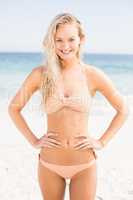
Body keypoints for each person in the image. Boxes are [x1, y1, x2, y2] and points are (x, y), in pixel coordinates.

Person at [8, 13, 128, 200]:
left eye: (71, 39)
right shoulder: (41, 74)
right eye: (59, 40)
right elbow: (14, 108)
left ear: (81, 40)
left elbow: (123, 110)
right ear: (52, 42)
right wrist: (33, 141)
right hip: (49, 164)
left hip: (84, 165)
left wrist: (102, 142)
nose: (65, 46)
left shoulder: (92, 75)